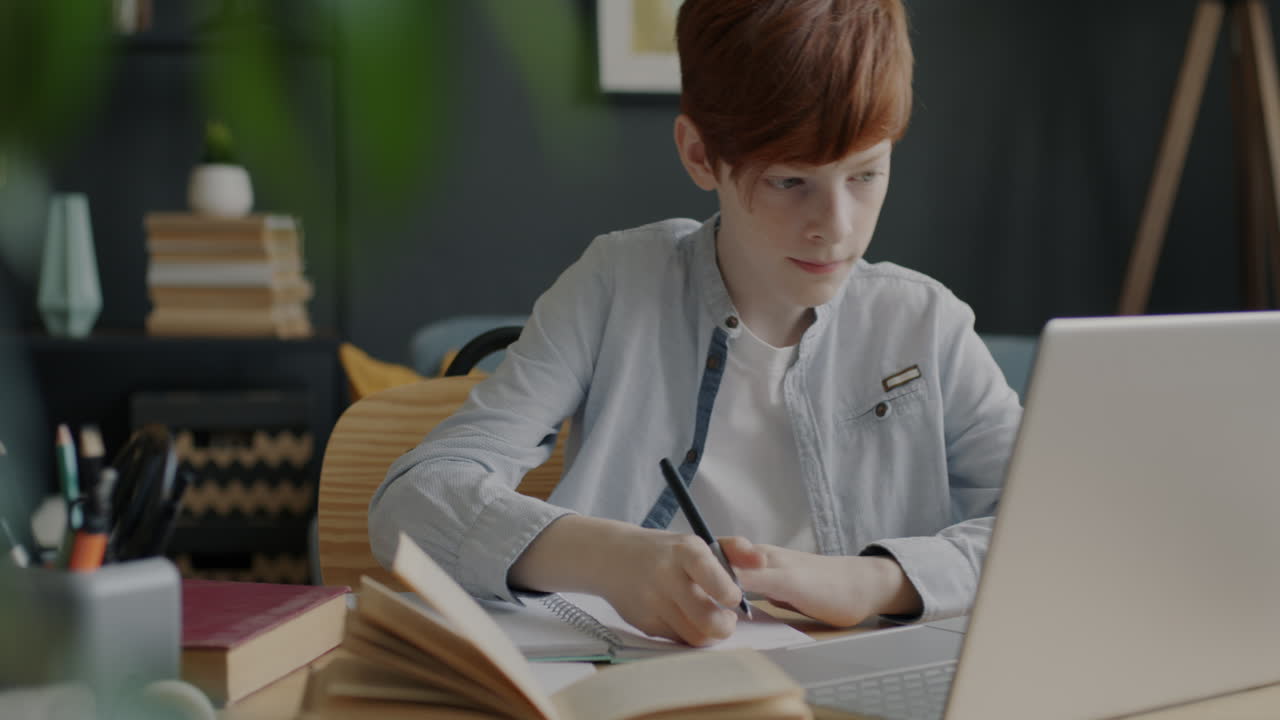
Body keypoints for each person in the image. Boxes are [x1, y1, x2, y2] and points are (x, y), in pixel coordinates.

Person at [369, 0, 1021, 647]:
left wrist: (875, 582)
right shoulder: (616, 285)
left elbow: (1056, 524)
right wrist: (610, 559)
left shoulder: (924, 322)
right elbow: (414, 500)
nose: (837, 227)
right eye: (790, 181)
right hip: (636, 683)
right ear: (700, 154)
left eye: (866, 175)